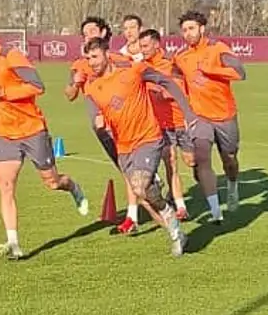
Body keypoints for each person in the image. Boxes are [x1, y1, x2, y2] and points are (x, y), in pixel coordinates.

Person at [0, 22, 89, 260]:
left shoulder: (11, 56)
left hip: (32, 129)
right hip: (5, 135)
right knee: (5, 186)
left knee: (52, 182)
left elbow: (37, 87)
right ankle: (13, 243)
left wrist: (7, 93)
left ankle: (73, 187)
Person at [81, 36, 207, 256]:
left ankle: (172, 224)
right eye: (88, 58)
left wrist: (187, 112)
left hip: (148, 138)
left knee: (139, 187)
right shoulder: (92, 86)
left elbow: (166, 82)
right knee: (146, 193)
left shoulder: (133, 70)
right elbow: (95, 114)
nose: (91, 62)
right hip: (124, 146)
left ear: (107, 54)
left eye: (95, 56)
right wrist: (97, 121)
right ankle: (175, 229)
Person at [64, 16, 143, 234]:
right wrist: (76, 83)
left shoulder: (120, 60)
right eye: (85, 33)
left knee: (129, 167)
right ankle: (141, 204)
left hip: (123, 121)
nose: (88, 35)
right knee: (125, 168)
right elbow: (69, 95)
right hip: (101, 127)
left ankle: (133, 216)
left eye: (92, 31)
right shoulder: (80, 65)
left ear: (104, 33)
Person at [172, 10, 248, 221]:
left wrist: (213, 69)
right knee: (202, 156)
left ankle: (232, 185)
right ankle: (215, 211)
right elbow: (176, 80)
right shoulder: (180, 56)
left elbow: (240, 73)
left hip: (224, 115)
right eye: (184, 30)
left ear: (202, 29)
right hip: (200, 116)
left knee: (229, 159)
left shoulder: (218, 48)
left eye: (191, 28)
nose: (188, 33)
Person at [138, 28, 189, 218]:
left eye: (145, 46)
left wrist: (163, 92)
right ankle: (181, 207)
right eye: (141, 46)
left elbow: (179, 90)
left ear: (156, 44)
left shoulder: (170, 63)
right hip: (159, 124)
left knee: (191, 161)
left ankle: (183, 189)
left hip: (179, 120)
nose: (142, 50)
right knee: (171, 161)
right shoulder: (141, 67)